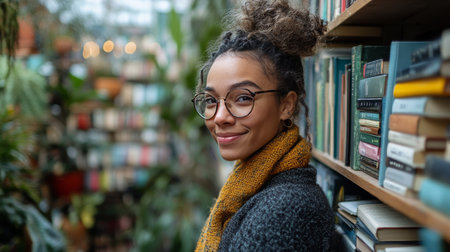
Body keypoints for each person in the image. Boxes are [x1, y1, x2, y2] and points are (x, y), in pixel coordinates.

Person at [191, 0, 337, 251]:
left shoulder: (287, 209)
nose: (219, 117)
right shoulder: (251, 185)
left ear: (286, 106)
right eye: (211, 100)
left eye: (243, 98)